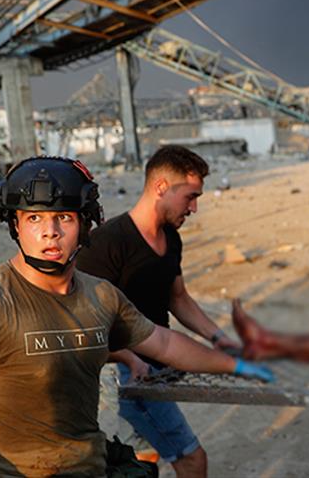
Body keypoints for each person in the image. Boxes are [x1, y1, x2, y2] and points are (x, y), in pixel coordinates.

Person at [0, 157, 270, 477]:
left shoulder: (101, 296)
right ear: (15, 226)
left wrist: (235, 364)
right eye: (34, 218)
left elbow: (163, 342)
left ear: (85, 225)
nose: (49, 232)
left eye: (64, 218)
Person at [77, 146, 250, 477]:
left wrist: (219, 338)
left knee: (141, 459)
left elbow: (178, 298)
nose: (194, 208)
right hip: (124, 370)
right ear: (161, 187)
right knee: (192, 460)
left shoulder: (171, 238)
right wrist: (129, 358)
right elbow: (86, 325)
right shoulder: (106, 243)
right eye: (190, 197)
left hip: (157, 362)